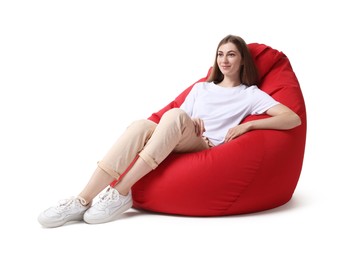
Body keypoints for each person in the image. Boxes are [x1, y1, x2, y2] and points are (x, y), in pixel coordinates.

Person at [38, 34, 302, 228]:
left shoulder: (250, 95)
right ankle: (82, 200)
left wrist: (249, 124)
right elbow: (179, 116)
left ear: (243, 60)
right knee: (142, 125)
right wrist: (191, 120)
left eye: (231, 54)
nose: (224, 60)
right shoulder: (202, 88)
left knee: (174, 116)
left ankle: (121, 191)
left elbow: (292, 118)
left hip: (207, 144)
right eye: (220, 54)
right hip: (185, 135)